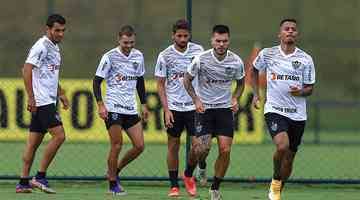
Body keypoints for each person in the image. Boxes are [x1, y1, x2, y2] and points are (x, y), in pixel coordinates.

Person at [251, 18, 315, 200]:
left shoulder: (305, 59)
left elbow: (310, 88)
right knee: (282, 146)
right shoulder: (268, 54)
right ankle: (276, 180)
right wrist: (256, 94)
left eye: (293, 29)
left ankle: (277, 187)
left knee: (290, 157)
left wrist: (301, 92)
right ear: (280, 34)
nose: (290, 31)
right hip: (274, 110)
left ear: (297, 34)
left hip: (297, 115)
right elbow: (254, 70)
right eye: (286, 29)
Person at [183, 24, 245, 200]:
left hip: (224, 110)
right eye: (218, 41)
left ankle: (215, 188)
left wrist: (235, 98)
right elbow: (186, 81)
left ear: (229, 41)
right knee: (202, 148)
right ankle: (196, 168)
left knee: (225, 150)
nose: (221, 44)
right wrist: (196, 100)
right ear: (212, 40)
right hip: (205, 110)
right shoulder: (200, 59)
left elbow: (241, 84)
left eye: (225, 41)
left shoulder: (236, 61)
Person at [92, 25, 149, 195]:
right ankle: (112, 185)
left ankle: (114, 171)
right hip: (113, 107)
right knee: (117, 145)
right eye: (125, 42)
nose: (129, 45)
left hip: (131, 108)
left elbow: (140, 81)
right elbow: (96, 82)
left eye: (131, 42)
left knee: (139, 146)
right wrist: (101, 104)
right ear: (119, 40)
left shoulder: (138, 56)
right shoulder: (109, 57)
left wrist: (144, 104)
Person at [16, 14, 69, 194]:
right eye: (57, 30)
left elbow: (49, 75)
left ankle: (23, 182)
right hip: (42, 100)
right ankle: (39, 177)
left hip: (47, 99)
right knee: (59, 136)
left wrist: (60, 93)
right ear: (48, 29)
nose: (60, 34)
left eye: (63, 30)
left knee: (33, 143)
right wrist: (31, 97)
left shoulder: (54, 47)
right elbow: (26, 70)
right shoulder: (41, 46)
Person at [154, 19, 207, 197]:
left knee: (198, 147)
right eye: (179, 36)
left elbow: (205, 75)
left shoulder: (199, 51)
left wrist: (201, 99)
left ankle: (188, 175)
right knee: (173, 146)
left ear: (189, 35)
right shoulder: (165, 55)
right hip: (174, 108)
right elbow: (160, 85)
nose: (183, 39)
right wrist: (166, 110)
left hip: (194, 107)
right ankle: (174, 185)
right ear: (173, 36)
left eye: (185, 36)